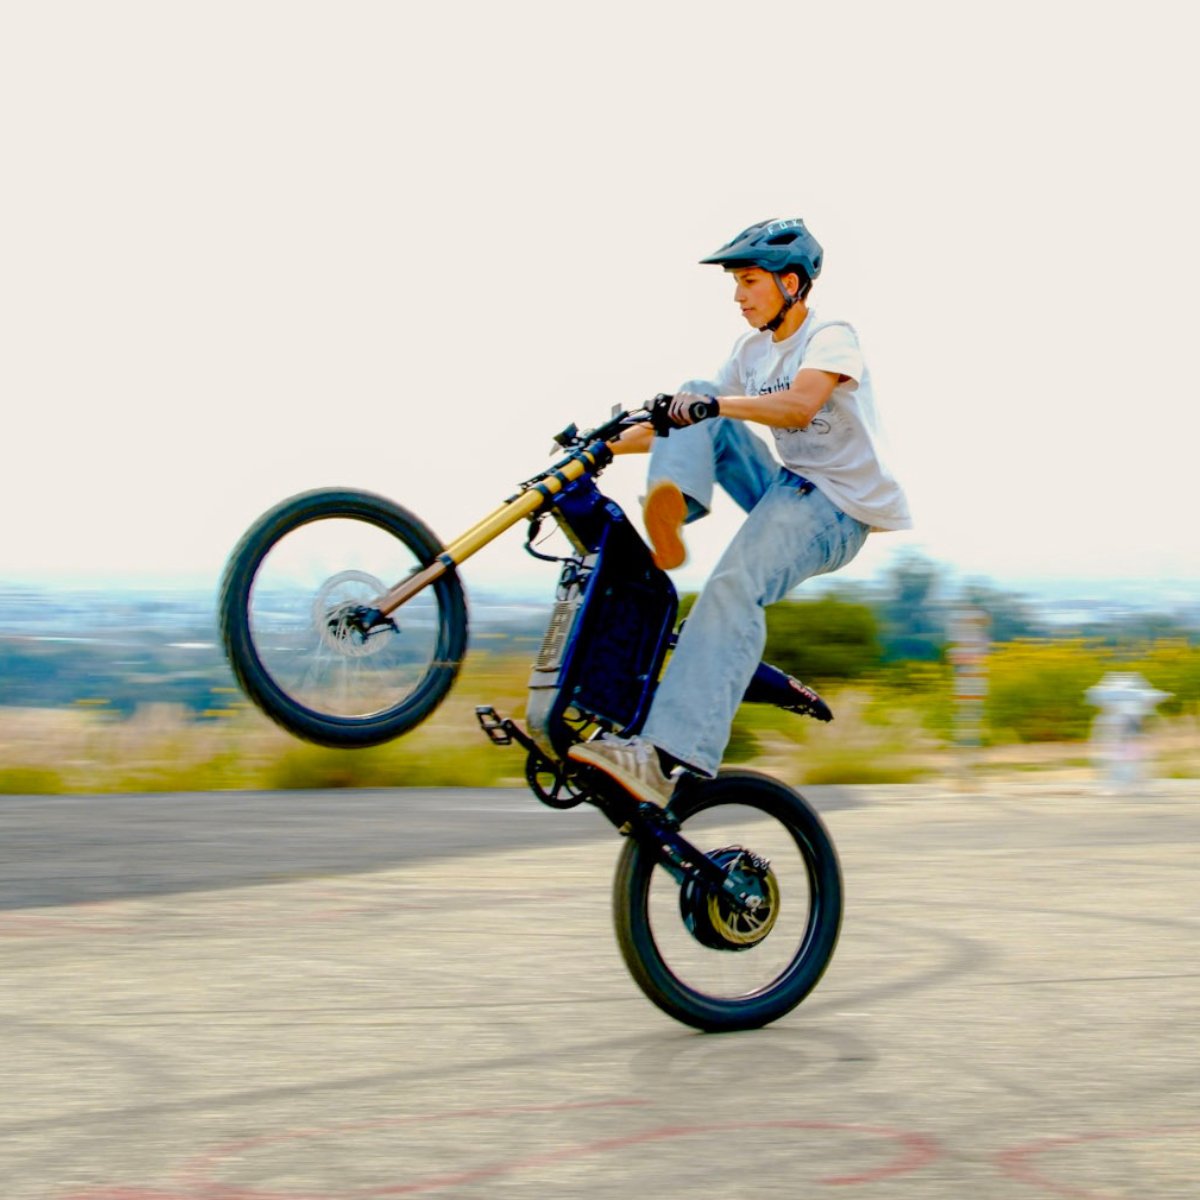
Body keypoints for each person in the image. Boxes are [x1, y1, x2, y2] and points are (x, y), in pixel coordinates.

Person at [569, 217, 911, 804]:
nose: (738, 295)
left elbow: (801, 406)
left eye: (749, 281)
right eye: (736, 283)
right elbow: (687, 421)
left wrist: (710, 406)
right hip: (784, 486)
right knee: (694, 397)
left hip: (837, 508)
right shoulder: (749, 351)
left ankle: (667, 755)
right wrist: (596, 450)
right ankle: (670, 516)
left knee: (733, 586)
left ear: (793, 284)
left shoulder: (830, 335)